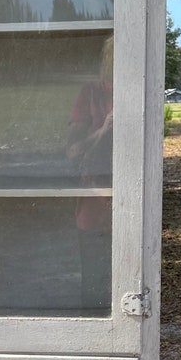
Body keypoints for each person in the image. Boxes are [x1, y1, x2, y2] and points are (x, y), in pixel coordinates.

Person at [66, 36, 113, 312]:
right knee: (94, 281)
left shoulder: (137, 90)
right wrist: (103, 130)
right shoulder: (91, 94)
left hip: (131, 200)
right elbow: (72, 152)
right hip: (94, 202)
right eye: (113, 57)